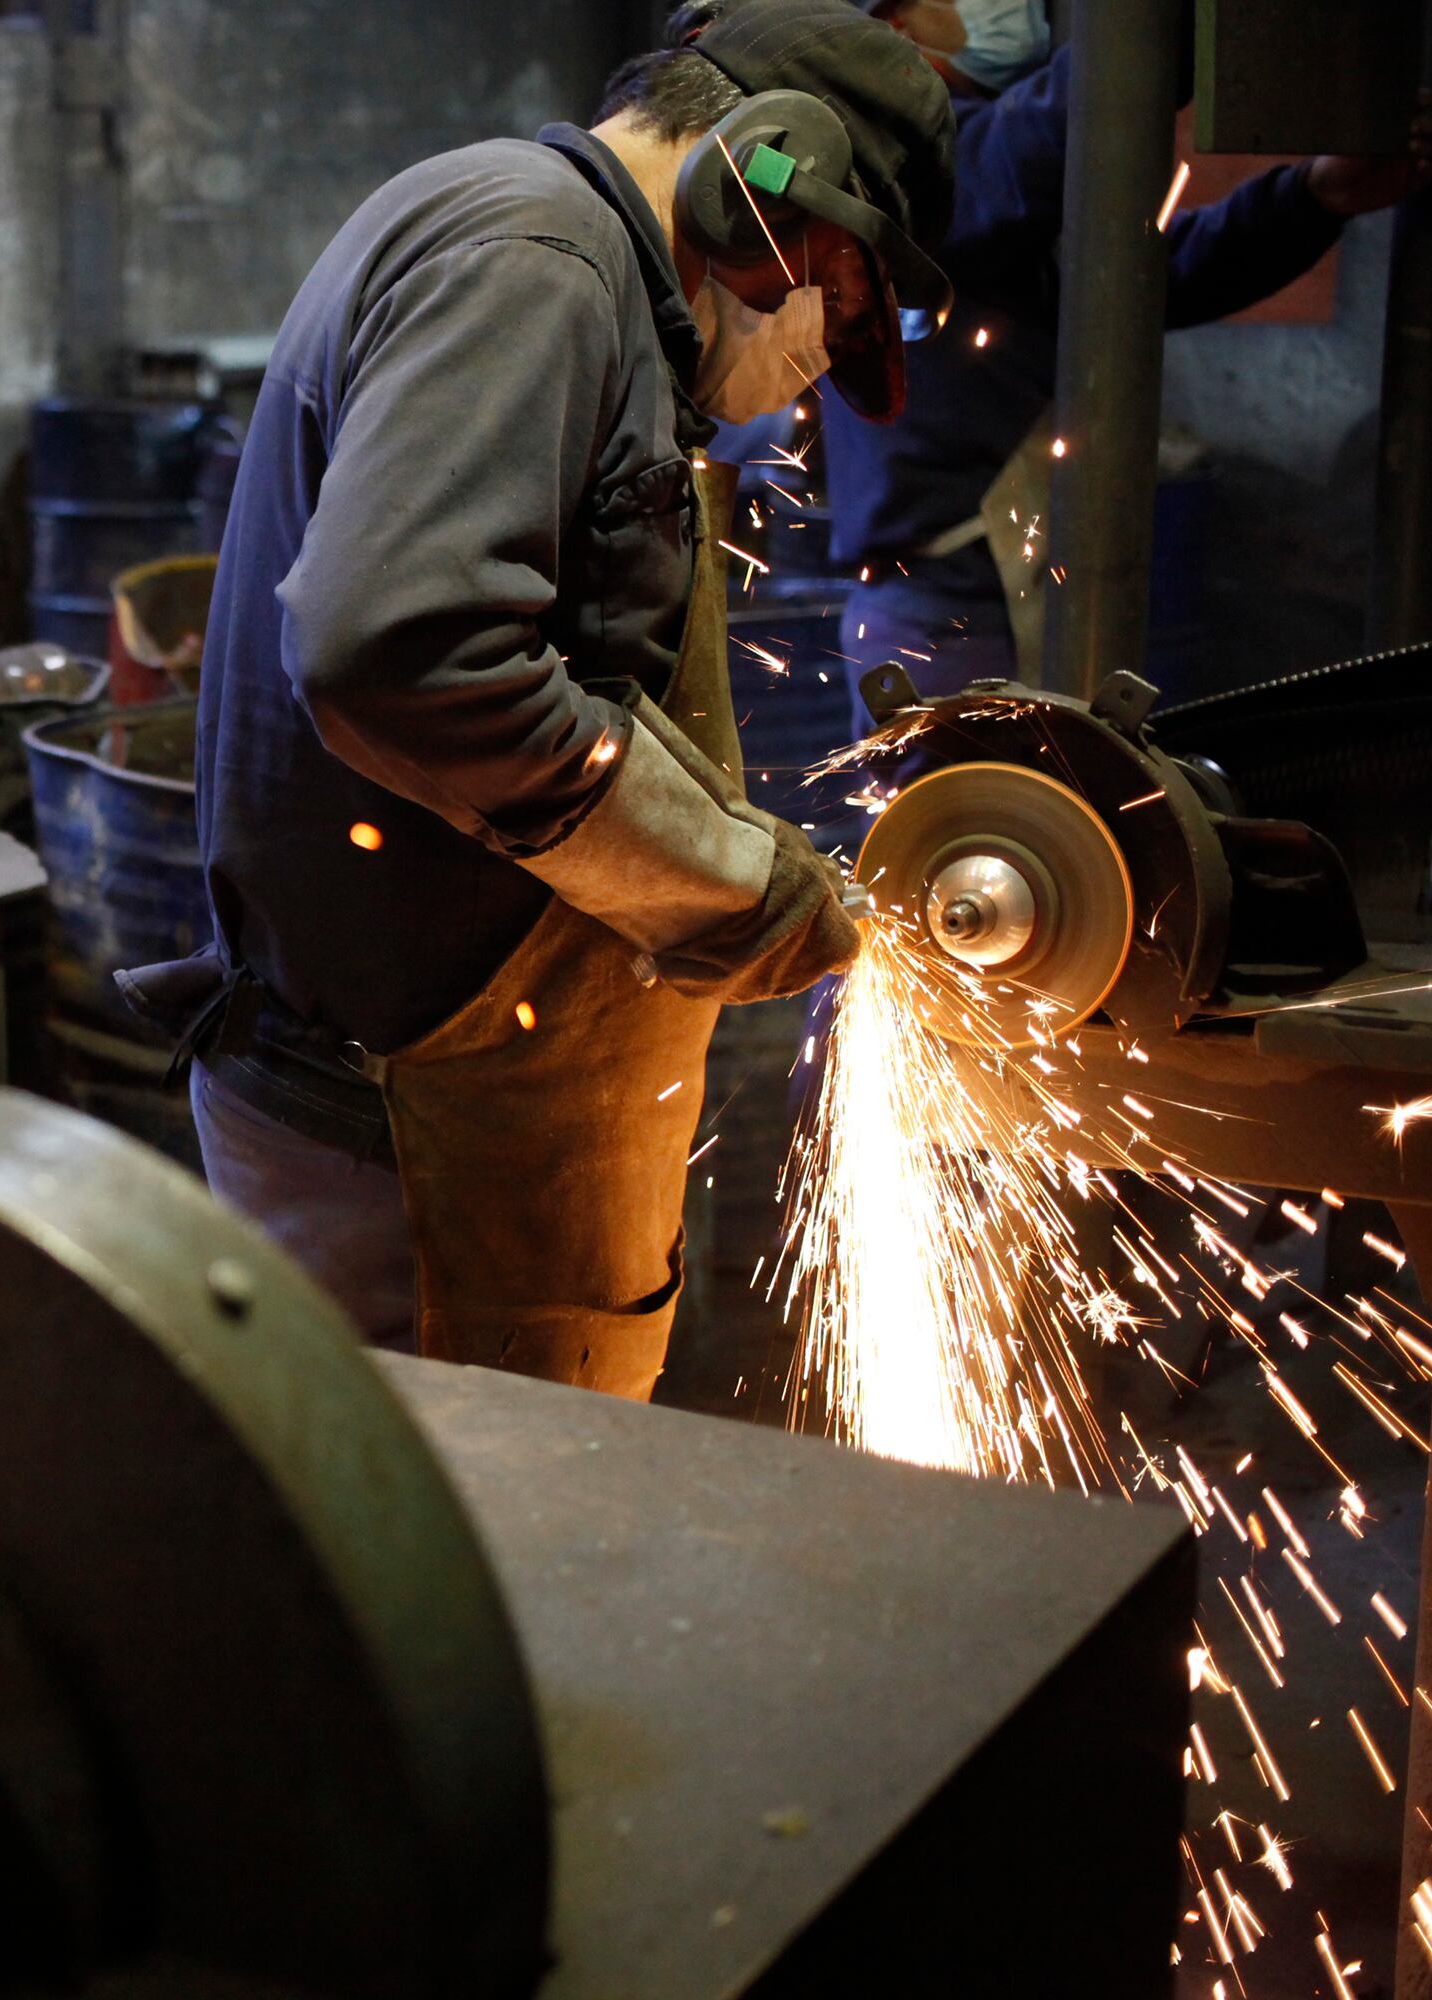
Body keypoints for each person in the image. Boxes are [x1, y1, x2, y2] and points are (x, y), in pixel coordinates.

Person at [136, 0, 954, 1390]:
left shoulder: (572, 271)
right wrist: (722, 885)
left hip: (453, 1135)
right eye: (843, 293)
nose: (820, 362)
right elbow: (400, 648)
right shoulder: (534, 260)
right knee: (443, 1595)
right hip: (410, 1152)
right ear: (766, 180)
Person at [830, 0, 1421, 712]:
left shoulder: (992, 201)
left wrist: (1310, 198)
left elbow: (1134, 282)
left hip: (1003, 590)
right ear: (896, 27)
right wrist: (1151, 23)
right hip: (945, 617)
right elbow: (1042, 135)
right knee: (973, 822)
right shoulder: (900, 168)